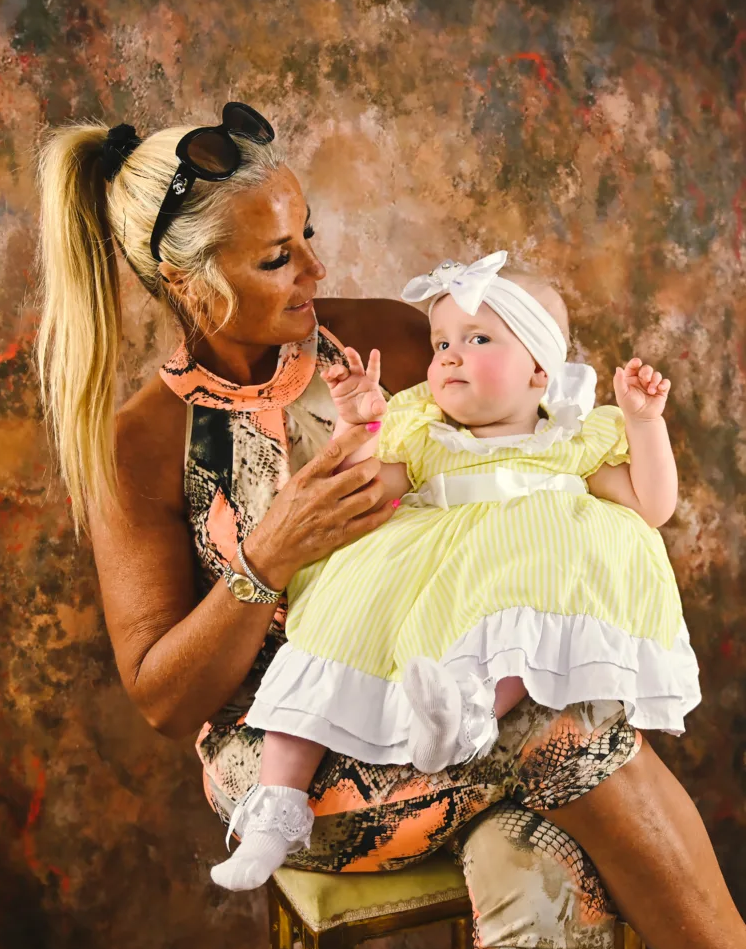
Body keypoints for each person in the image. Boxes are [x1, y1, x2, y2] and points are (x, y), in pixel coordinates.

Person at [35, 102, 746, 949]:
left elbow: (531, 448)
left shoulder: (391, 339)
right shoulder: (140, 442)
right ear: (184, 277)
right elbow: (165, 697)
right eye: (275, 258)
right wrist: (267, 556)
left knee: (532, 834)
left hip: (450, 679)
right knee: (570, 735)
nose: (316, 270)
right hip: (293, 756)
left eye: (308, 236)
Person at [210, 249, 700, 894]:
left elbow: (650, 506)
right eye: (443, 341)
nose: (447, 355)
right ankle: (273, 816)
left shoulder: (571, 442)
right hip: (424, 576)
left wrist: (644, 423)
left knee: (531, 612)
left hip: (512, 578)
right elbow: (365, 490)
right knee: (330, 640)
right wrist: (357, 426)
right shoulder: (423, 431)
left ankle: (465, 716)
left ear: (538, 371)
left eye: (478, 338)